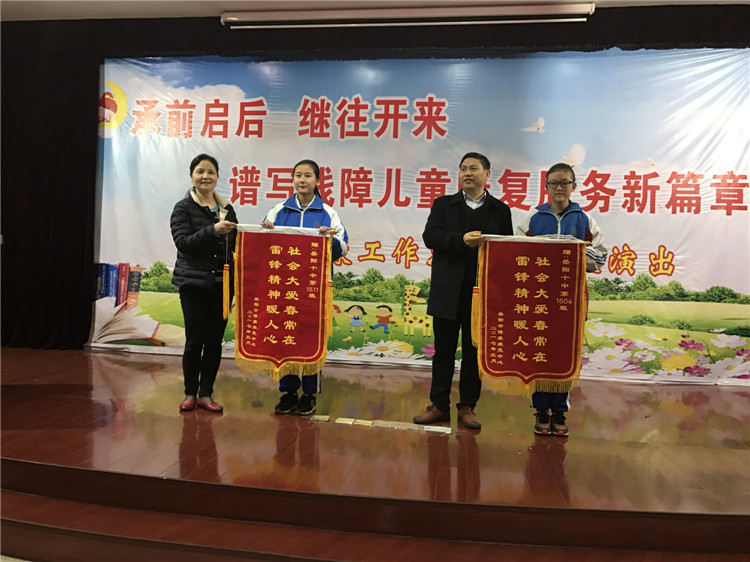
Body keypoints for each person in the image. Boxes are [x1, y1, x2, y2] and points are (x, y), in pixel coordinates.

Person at [413, 152, 513, 430]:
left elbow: (505, 250)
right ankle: (438, 405)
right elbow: (430, 236)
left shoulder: (500, 210)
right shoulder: (443, 204)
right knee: (443, 352)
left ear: (487, 174)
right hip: (447, 291)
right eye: (463, 169)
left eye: (473, 168)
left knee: (473, 353)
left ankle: (468, 407)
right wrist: (460, 240)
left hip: (480, 294)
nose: (467, 173)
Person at [516, 162, 607, 436]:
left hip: (571, 298)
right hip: (537, 297)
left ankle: (559, 411)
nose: (559, 187)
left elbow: (600, 256)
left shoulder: (584, 219)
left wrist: (569, 254)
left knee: (565, 354)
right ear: (546, 187)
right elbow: (517, 251)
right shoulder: (532, 219)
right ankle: (540, 410)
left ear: (574, 186)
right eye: (554, 183)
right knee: (538, 352)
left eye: (565, 182)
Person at [261, 159, 349, 416]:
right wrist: (266, 231)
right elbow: (262, 245)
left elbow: (342, 248)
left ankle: (309, 394)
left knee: (311, 340)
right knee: (285, 338)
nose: (302, 180)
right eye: (298, 175)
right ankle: (288, 392)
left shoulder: (328, 213)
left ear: (317, 181)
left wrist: (330, 239)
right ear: (292, 179)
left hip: (314, 289)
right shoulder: (278, 211)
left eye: (308, 175)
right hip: (283, 289)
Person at [171, 153, 237, 414]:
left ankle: (206, 394)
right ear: (192, 176)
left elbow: (238, 244)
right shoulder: (182, 208)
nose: (205, 176)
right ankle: (190, 393)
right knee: (194, 340)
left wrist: (262, 231)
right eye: (200, 171)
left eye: (211, 172)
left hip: (222, 287)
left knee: (214, 341)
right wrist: (213, 231)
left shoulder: (227, 209)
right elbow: (183, 243)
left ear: (217, 177)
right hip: (193, 285)